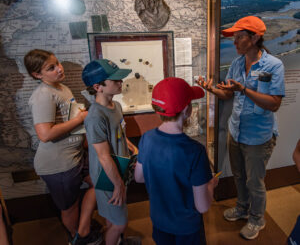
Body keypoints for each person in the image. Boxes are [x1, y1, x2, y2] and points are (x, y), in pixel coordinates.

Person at [197, 16, 285, 240]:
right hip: (236, 130)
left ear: (255, 38)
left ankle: (257, 219)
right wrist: (211, 90)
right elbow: (228, 92)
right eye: (234, 38)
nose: (234, 42)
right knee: (238, 175)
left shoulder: (274, 65)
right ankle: (242, 208)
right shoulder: (237, 63)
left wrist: (244, 89)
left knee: (254, 182)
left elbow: (274, 103)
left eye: (239, 37)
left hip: (258, 135)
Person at [24, 49, 101, 245]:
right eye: (51, 68)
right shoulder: (43, 95)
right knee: (70, 207)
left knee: (99, 182)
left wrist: (78, 118)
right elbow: (45, 134)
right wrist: (79, 119)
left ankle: (83, 228)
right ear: (37, 74)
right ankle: (79, 238)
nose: (59, 69)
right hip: (58, 165)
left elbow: (68, 120)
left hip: (74, 156)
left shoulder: (61, 88)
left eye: (58, 63)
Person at [134, 77, 218, 245]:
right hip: (187, 229)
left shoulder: (146, 138)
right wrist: (211, 185)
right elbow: (202, 206)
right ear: (187, 110)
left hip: (159, 223)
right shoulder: (195, 151)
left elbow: (139, 178)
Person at [82, 59, 139, 245]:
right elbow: (103, 156)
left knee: (112, 218)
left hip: (119, 167)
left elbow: (119, 133)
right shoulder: (95, 116)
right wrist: (117, 184)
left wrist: (132, 147)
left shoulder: (116, 106)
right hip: (107, 176)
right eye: (115, 80)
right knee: (119, 224)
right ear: (98, 87)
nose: (120, 83)